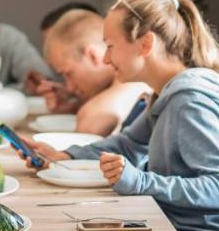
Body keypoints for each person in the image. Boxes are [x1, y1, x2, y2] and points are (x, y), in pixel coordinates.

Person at [25, 0, 219, 231]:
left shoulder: (192, 102)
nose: (106, 59)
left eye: (110, 46)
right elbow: (129, 144)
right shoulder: (167, 94)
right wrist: (64, 156)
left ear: (146, 44)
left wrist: (140, 182)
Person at [38, 8, 152, 136]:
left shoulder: (135, 73)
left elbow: (90, 126)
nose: (69, 87)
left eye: (69, 74)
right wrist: (74, 105)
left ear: (93, 56)